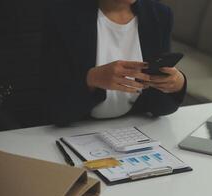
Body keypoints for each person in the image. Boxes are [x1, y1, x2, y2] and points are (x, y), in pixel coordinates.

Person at [42, 0, 187, 126]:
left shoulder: (159, 14)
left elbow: (160, 108)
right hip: (76, 132)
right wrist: (91, 79)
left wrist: (177, 84)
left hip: (135, 131)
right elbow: (56, 111)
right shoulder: (62, 15)